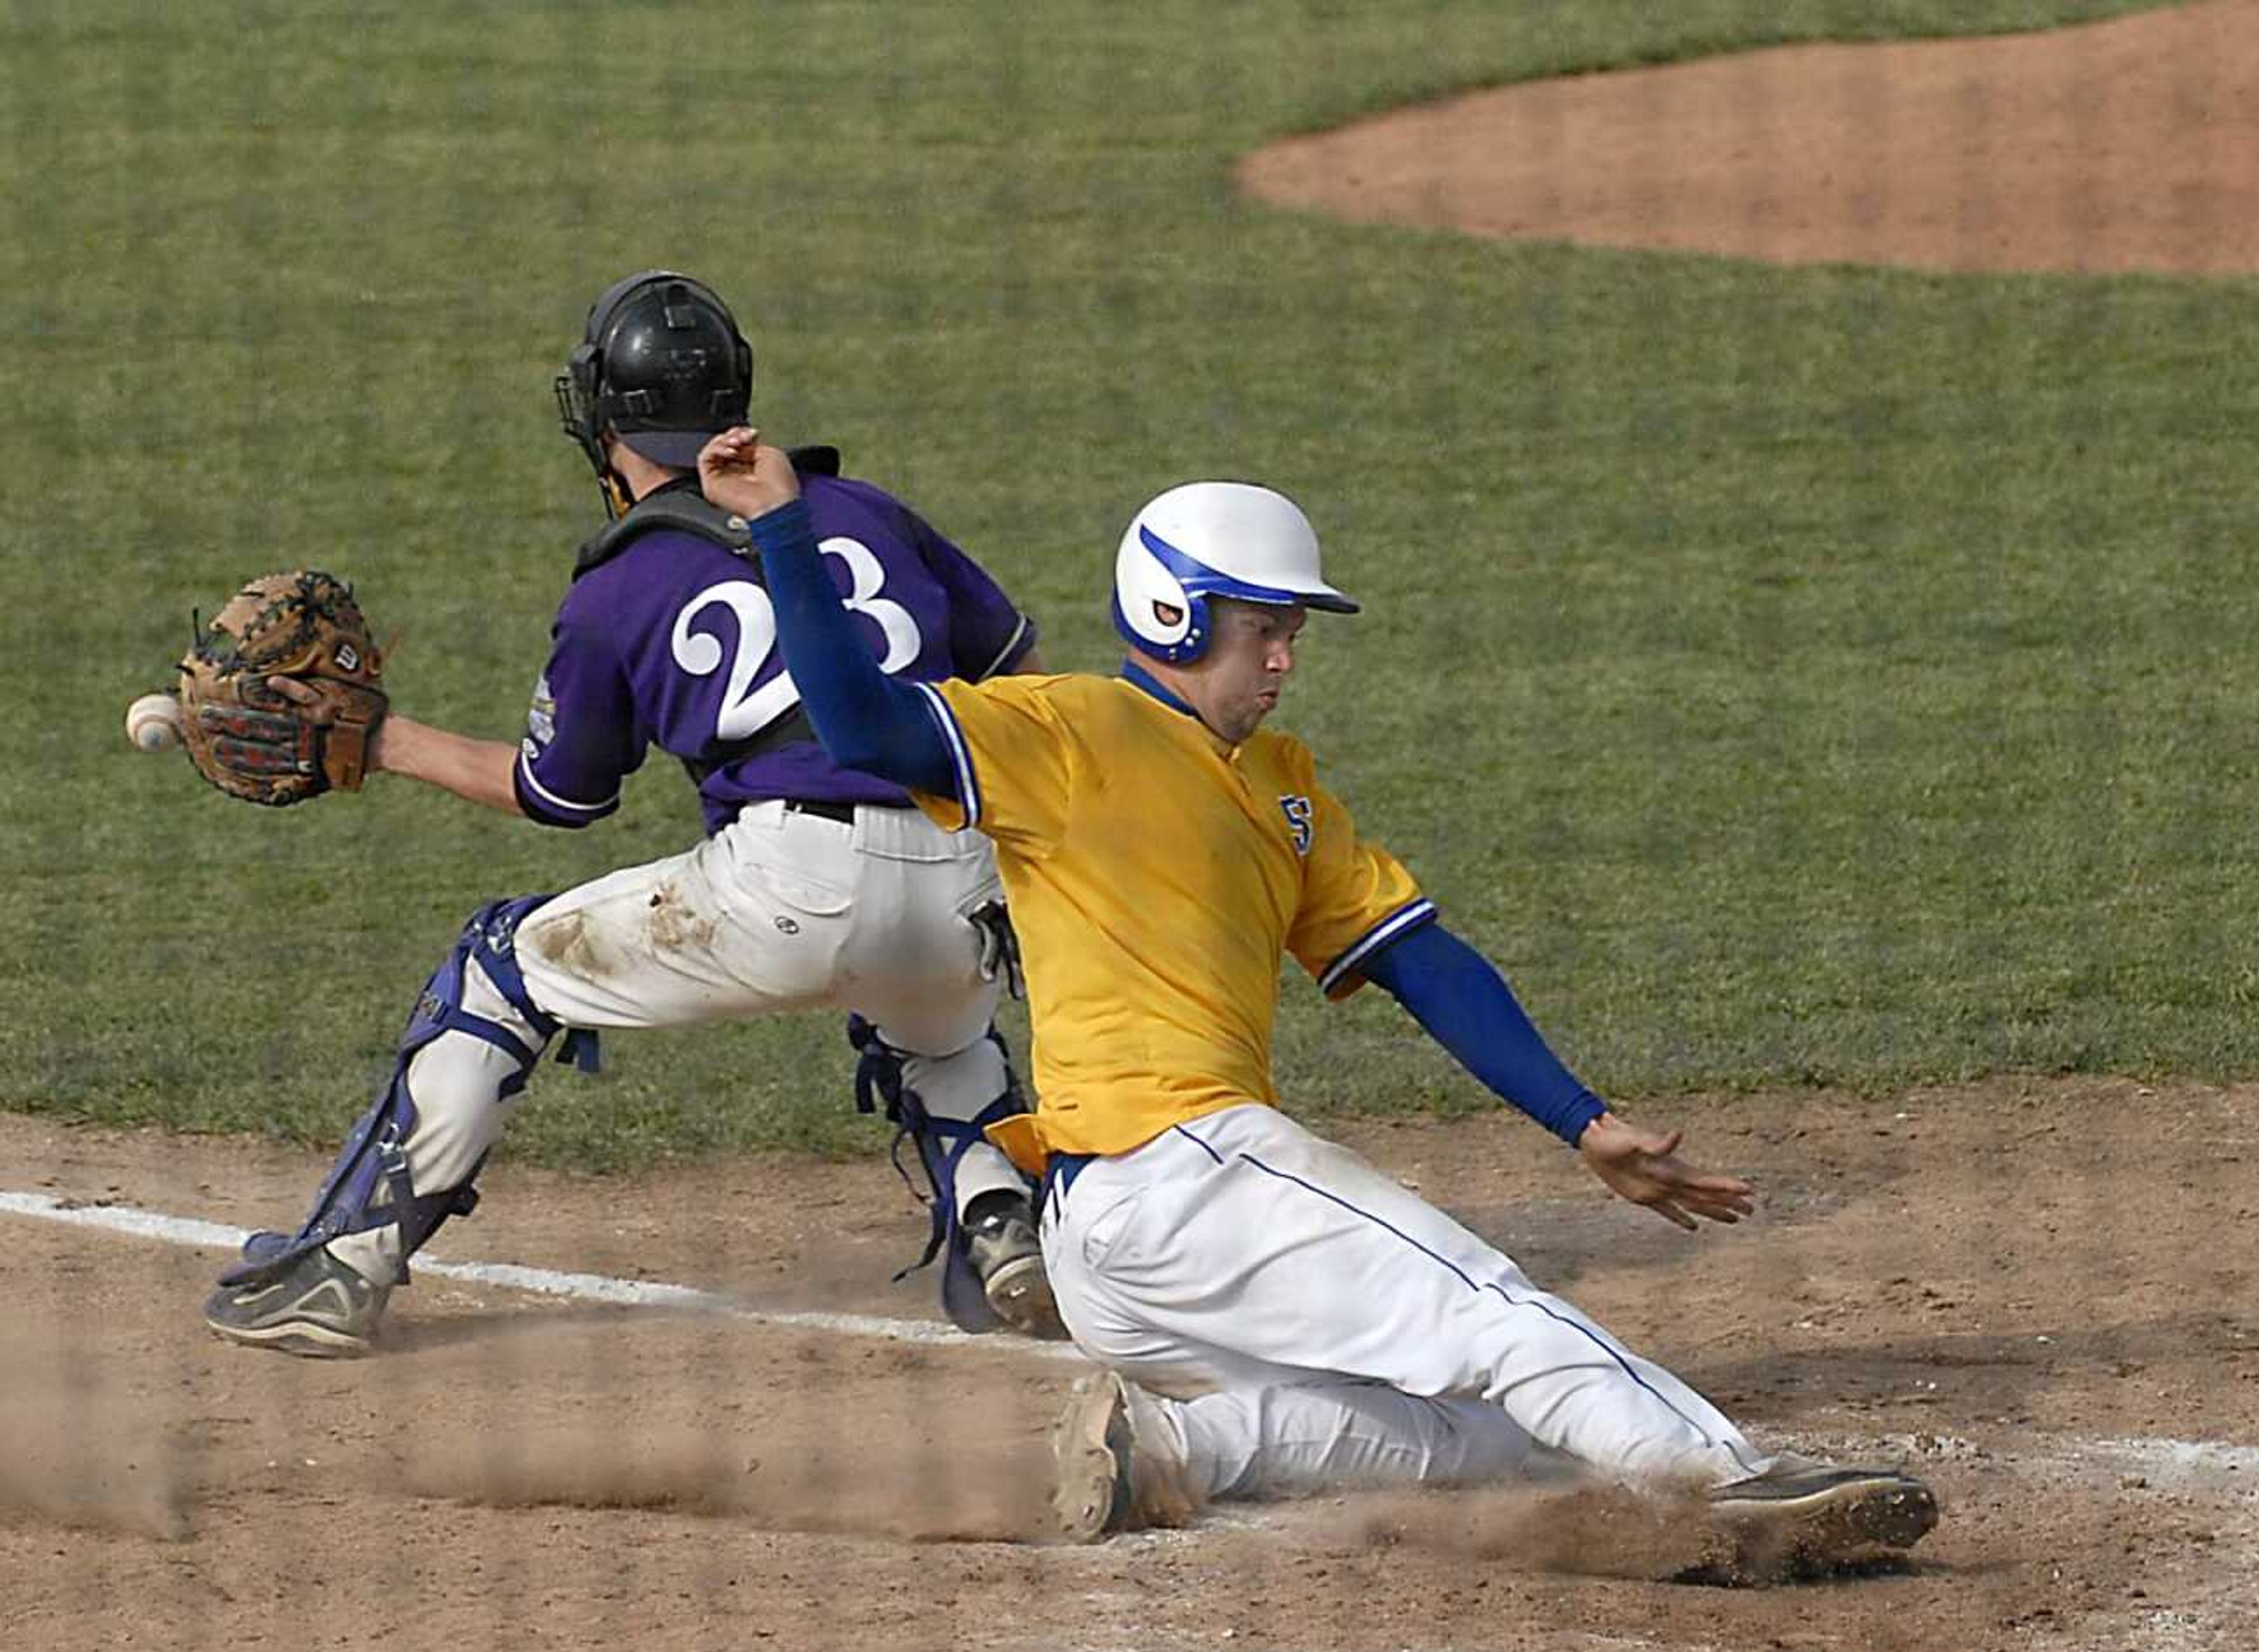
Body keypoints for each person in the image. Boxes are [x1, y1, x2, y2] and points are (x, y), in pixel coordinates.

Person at [692, 427, 1941, 1558]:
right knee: (1489, 1307)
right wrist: (782, 522)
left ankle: (1175, 1451)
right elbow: (857, 721)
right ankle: (1734, 1483)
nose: (1286, 659)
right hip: (1177, 1169)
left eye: (1294, 630)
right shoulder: (1066, 731)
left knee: (1485, 1427)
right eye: (1263, 628)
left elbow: (1417, 955)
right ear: (1177, 616)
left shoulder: (1281, 788)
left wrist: (1584, 1120)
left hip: (1122, 1248)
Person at [202, 272, 1058, 1357]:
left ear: (603, 422)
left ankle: (341, 1268)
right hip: (964, 878)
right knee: (943, 1029)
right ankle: (1003, 1227)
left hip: (788, 885)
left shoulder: (620, 586)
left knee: (501, 963)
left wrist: (380, 742)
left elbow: (559, 792)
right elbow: (1021, 672)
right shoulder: (869, 510)